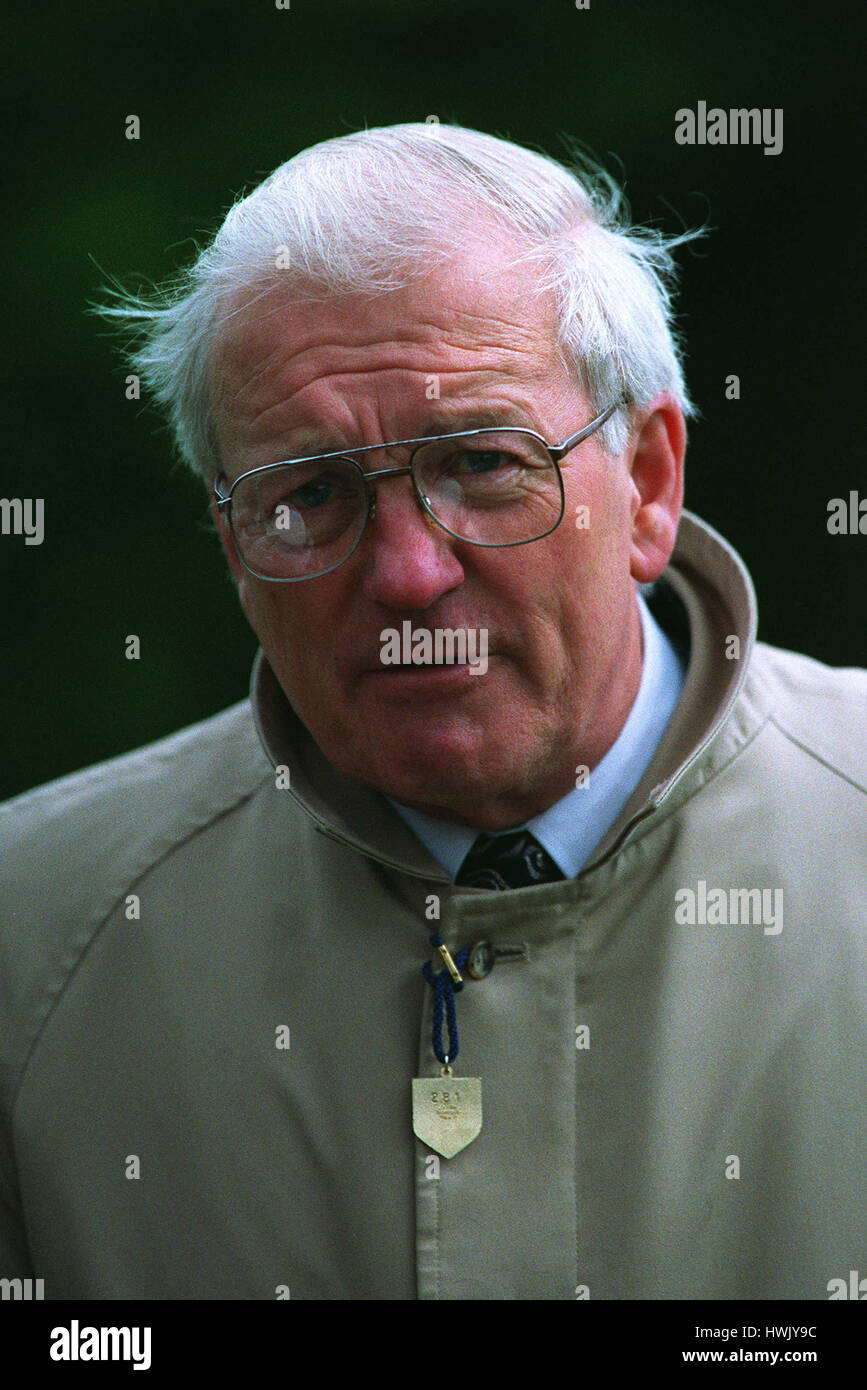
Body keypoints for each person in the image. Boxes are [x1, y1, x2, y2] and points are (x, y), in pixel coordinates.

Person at [1, 123, 865, 1302]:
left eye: (481, 463)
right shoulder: (34, 942)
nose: (408, 571)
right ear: (233, 546)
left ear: (651, 480)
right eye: (309, 493)